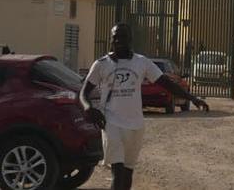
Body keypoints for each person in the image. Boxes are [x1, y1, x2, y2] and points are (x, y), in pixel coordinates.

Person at [80, 23, 209, 190]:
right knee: (118, 172)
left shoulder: (141, 63)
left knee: (127, 173)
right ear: (111, 41)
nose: (118, 41)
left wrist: (192, 98)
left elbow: (166, 83)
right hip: (111, 123)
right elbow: (83, 93)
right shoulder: (101, 64)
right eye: (115, 38)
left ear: (130, 39)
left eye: (122, 37)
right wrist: (87, 107)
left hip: (136, 125)